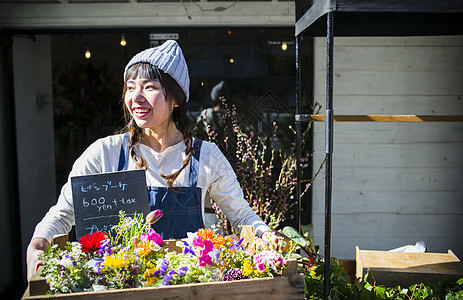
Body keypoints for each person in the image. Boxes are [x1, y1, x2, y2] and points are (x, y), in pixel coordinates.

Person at [26, 40, 271, 281]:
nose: (136, 97)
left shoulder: (205, 157)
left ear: (176, 99)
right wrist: (38, 243)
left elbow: (241, 215)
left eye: (149, 87)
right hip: (121, 289)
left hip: (187, 289)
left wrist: (266, 236)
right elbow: (63, 213)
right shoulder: (104, 153)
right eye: (130, 88)